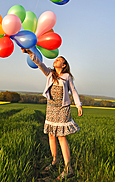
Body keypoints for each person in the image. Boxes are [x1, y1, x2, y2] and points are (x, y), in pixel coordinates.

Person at [22, 48, 83, 180]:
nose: (56, 61)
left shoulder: (67, 77)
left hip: (62, 108)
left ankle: (68, 168)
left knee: (61, 136)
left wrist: (78, 105)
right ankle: (55, 161)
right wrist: (30, 53)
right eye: (55, 60)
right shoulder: (50, 74)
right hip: (51, 107)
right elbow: (39, 63)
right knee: (51, 135)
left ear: (64, 65)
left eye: (59, 60)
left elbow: (74, 91)